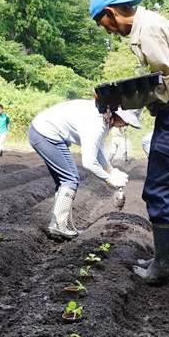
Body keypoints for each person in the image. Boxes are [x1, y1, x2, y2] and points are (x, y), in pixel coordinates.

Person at [90, 0, 169, 284]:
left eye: (104, 24)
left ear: (111, 13)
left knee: (160, 189)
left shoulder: (148, 30)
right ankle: (168, 258)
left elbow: (163, 88)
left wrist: (115, 98)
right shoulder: (148, 25)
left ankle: (165, 265)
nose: (109, 32)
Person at [29, 99, 140, 239]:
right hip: (45, 134)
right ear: (119, 115)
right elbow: (89, 162)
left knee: (65, 181)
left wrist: (111, 170)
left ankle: (64, 225)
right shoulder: (97, 124)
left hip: (41, 132)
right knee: (70, 179)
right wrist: (110, 180)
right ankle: (59, 225)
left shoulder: (105, 120)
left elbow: (97, 149)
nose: (126, 125)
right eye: (127, 121)